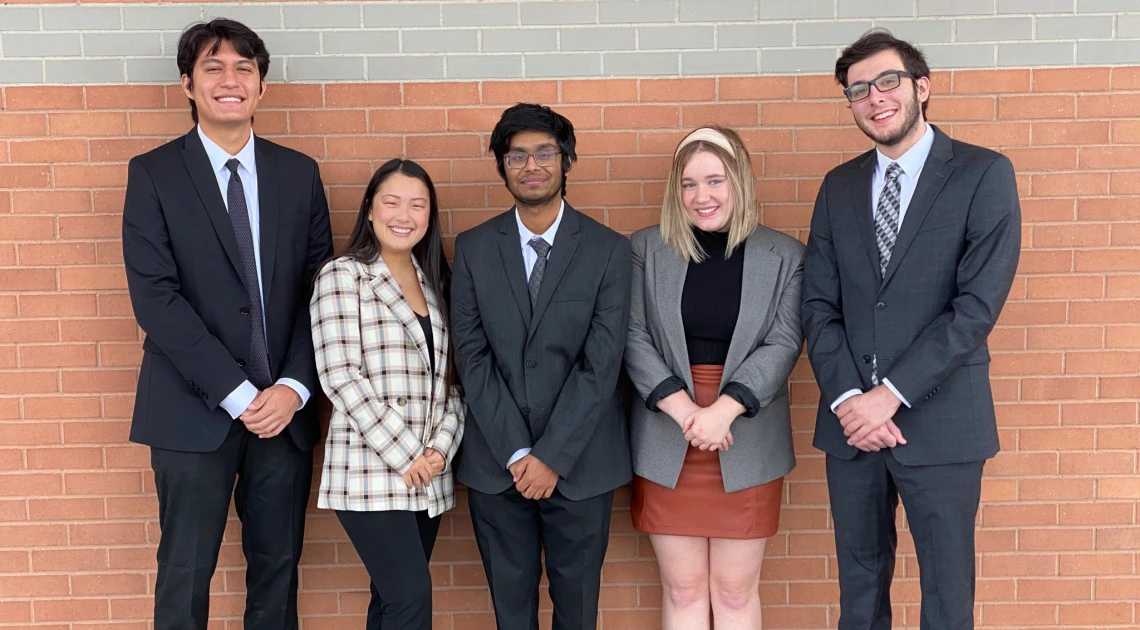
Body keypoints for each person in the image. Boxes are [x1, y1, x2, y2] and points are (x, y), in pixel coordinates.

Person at [801, 30, 1021, 630]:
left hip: (943, 422)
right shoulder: (838, 186)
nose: (874, 98)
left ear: (922, 87)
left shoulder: (983, 174)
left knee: (947, 596)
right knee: (860, 588)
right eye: (858, 91)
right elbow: (818, 305)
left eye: (887, 81)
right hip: (852, 430)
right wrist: (851, 400)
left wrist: (887, 396)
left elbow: (975, 308)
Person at [121, 18, 333, 630]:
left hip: (283, 417)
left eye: (245, 68)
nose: (230, 80)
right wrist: (240, 396)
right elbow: (156, 300)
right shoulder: (154, 175)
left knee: (278, 568)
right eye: (214, 68)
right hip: (192, 412)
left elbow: (320, 294)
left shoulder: (299, 174)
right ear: (187, 84)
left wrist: (293, 389)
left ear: (262, 87)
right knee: (185, 570)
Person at [449, 103, 632, 630]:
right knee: (511, 615)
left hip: (581, 464)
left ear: (567, 159)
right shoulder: (475, 249)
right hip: (496, 464)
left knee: (577, 614)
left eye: (545, 152)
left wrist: (551, 456)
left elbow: (602, 364)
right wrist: (517, 451)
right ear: (502, 166)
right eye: (517, 156)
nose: (532, 166)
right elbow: (472, 356)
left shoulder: (608, 250)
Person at [625, 126, 804, 629]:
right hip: (668, 433)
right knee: (682, 591)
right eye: (687, 184)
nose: (701, 196)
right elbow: (633, 336)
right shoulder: (645, 249)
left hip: (744, 433)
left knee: (733, 592)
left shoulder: (785, 256)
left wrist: (723, 410)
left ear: (740, 181)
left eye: (714, 181)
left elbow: (785, 342)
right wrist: (687, 413)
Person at [310, 158, 465, 629]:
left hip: (428, 474)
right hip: (371, 473)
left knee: (390, 602)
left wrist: (439, 450)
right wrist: (408, 455)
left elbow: (455, 384)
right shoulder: (343, 276)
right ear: (370, 210)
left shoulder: (437, 282)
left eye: (418, 204)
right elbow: (340, 375)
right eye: (392, 202)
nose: (405, 214)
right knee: (410, 600)